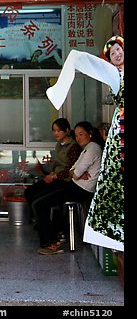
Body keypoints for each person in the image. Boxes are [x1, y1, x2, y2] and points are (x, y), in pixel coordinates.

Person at [46, 36, 124, 252]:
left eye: (119, 49)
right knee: (75, 57)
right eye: (112, 54)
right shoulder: (116, 76)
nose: (117, 54)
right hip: (121, 130)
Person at [35, 121, 105, 255]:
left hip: (81, 190)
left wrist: (76, 173)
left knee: (40, 205)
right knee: (41, 201)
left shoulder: (93, 149)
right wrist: (75, 173)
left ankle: (50, 243)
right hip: (75, 185)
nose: (78, 138)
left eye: (81, 134)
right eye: (76, 135)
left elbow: (75, 173)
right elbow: (73, 169)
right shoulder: (87, 149)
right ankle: (55, 236)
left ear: (90, 134)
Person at [25, 118, 81, 210]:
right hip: (55, 177)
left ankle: (45, 222)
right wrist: (51, 173)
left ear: (67, 130)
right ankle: (36, 219)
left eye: (59, 131)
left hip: (64, 180)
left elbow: (71, 170)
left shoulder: (73, 147)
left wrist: (54, 176)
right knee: (29, 192)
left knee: (40, 198)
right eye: (54, 131)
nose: (56, 134)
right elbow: (57, 162)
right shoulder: (58, 144)